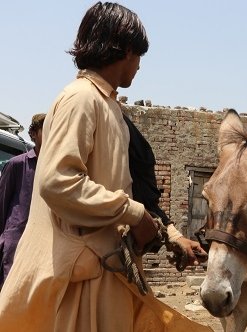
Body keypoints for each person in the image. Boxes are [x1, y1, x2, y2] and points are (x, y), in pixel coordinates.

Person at [0, 2, 212, 331]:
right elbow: (58, 182)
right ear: (125, 48)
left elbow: (131, 190)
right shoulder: (80, 99)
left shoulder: (107, 105)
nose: (139, 67)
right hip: (83, 281)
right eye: (138, 56)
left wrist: (164, 232)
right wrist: (133, 213)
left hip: (108, 272)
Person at [0, 113, 45, 289]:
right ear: (33, 133)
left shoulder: (57, 168)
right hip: (16, 241)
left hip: (42, 243)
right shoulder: (17, 164)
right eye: (45, 129)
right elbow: (2, 204)